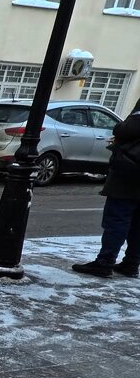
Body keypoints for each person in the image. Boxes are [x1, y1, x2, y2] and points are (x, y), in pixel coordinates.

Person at [72, 107, 140, 278]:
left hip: (130, 175)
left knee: (118, 219)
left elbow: (123, 129)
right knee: (138, 223)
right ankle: (132, 263)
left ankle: (105, 262)